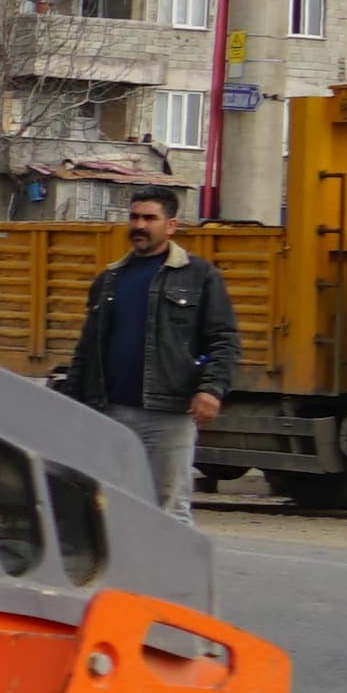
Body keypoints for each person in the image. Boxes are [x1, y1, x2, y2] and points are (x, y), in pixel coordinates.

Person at [59, 194, 241, 509]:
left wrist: (211, 389)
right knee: (108, 505)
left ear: (171, 226)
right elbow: (87, 350)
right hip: (111, 411)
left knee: (167, 507)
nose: (139, 225)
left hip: (167, 416)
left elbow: (224, 339)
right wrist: (72, 402)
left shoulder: (200, 276)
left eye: (149, 219)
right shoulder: (110, 280)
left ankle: (169, 560)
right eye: (134, 218)